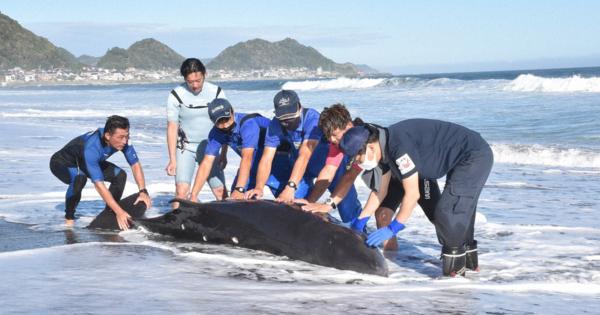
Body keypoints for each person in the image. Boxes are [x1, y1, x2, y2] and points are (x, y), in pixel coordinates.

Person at [337, 120, 493, 276]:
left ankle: (455, 276)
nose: (359, 163)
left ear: (370, 147)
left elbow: (412, 194)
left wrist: (393, 228)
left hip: (474, 155)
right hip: (465, 156)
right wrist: (359, 223)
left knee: (447, 212)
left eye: (359, 159)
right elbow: (380, 191)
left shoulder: (398, 148)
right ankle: (470, 266)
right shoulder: (384, 152)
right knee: (457, 209)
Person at [302, 105, 439, 251]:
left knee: (439, 219)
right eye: (328, 136)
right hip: (389, 179)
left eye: (335, 134)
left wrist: (328, 205)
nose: (332, 140)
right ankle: (393, 263)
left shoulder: (363, 140)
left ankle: (460, 250)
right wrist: (313, 203)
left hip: (413, 173)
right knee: (383, 216)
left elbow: (350, 176)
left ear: (349, 126)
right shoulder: (339, 143)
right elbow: (337, 172)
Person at [245, 91, 361, 223]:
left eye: (291, 117)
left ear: (300, 107)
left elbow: (305, 155)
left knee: (348, 210)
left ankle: (359, 232)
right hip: (302, 171)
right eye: (284, 119)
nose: (288, 122)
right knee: (300, 209)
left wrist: (290, 187)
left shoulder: (312, 119)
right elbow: (266, 158)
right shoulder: (275, 124)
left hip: (331, 166)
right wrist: (259, 187)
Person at [49, 115, 152, 230]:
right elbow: (99, 185)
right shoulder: (92, 148)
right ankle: (69, 221)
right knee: (79, 178)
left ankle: (107, 214)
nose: (124, 141)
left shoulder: (123, 140)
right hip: (61, 163)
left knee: (120, 175)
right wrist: (120, 211)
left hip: (85, 162)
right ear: (108, 136)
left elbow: (135, 164)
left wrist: (143, 191)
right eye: (121, 137)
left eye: (127, 136)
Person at [189, 98, 287, 201]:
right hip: (253, 164)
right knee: (235, 201)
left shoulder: (248, 124)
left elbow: (247, 157)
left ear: (232, 111)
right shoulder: (216, 133)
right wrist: (194, 195)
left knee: (286, 200)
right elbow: (206, 163)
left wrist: (240, 189)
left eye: (226, 119)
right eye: (219, 122)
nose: (225, 125)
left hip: (280, 160)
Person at [166, 58, 227, 207]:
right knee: (181, 191)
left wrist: (224, 154)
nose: (194, 85)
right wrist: (172, 159)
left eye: (198, 80)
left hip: (210, 147)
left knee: (221, 192)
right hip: (185, 148)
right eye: (190, 81)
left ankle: (228, 227)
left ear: (204, 74)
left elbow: (226, 125)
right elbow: (172, 127)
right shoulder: (176, 94)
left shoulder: (217, 92)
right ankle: (177, 226)